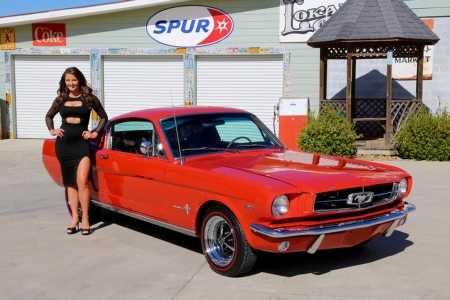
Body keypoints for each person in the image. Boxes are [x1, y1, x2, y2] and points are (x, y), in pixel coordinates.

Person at [45, 67, 108, 236]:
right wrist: (52, 130)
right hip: (64, 145)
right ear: (64, 82)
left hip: (81, 145)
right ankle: (74, 218)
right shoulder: (61, 99)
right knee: (70, 183)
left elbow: (104, 117)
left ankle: (85, 218)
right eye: (68, 80)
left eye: (73, 80)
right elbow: (48, 116)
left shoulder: (89, 98)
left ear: (79, 80)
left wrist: (94, 133)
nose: (71, 83)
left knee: (82, 181)